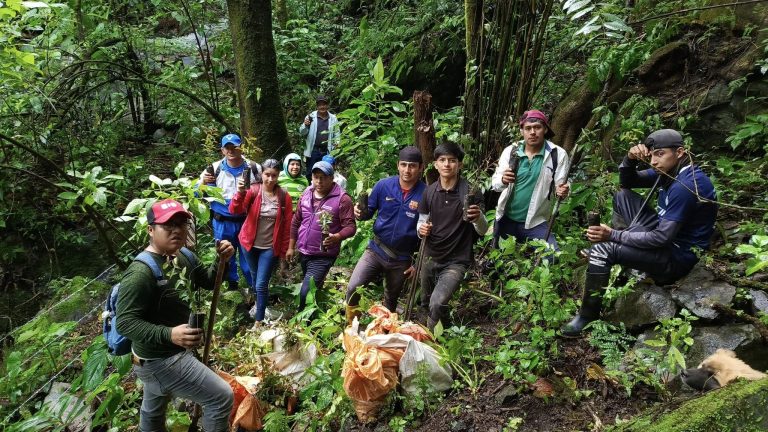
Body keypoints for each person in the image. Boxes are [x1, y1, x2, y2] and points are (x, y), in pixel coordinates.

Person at [561, 129, 717, 337]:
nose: (653, 161)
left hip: (675, 257)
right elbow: (627, 182)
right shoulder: (671, 171)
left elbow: (662, 237)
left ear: (679, 152)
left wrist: (613, 236)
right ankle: (622, 251)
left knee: (601, 250)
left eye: (660, 154)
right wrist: (629, 158)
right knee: (622, 196)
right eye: (651, 155)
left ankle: (587, 317)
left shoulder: (685, 186)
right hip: (665, 235)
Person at [116, 199, 235, 432]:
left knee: (153, 407)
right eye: (168, 225)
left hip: (161, 356)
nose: (177, 230)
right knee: (221, 397)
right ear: (151, 230)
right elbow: (125, 322)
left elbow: (208, 281)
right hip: (160, 359)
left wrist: (221, 260)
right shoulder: (140, 273)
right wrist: (170, 334)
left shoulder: (184, 256)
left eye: (181, 223)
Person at [345, 146, 426, 322]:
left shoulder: (426, 193)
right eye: (403, 165)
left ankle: (383, 336)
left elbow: (428, 233)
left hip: (403, 258)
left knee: (391, 301)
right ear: (397, 165)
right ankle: (351, 328)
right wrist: (360, 212)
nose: (407, 170)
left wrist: (418, 263)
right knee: (353, 288)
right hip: (376, 250)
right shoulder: (384, 186)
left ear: (420, 167)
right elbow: (368, 213)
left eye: (412, 166)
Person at [417, 142, 488, 330]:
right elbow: (421, 222)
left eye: (452, 160)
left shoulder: (470, 192)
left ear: (460, 165)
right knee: (426, 303)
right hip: (430, 256)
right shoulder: (429, 191)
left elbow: (482, 230)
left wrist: (478, 217)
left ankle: (431, 343)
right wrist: (421, 230)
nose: (447, 164)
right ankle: (444, 331)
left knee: (437, 303)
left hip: (457, 260)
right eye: (442, 160)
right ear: (435, 164)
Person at [491, 110, 570, 254]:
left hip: (535, 222)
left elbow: (562, 186)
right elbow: (495, 184)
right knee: (498, 260)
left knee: (551, 256)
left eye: (537, 127)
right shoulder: (511, 151)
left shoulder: (557, 154)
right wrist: (503, 179)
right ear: (522, 131)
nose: (532, 132)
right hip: (506, 218)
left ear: (545, 129)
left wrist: (563, 191)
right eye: (528, 128)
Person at [229, 159, 294, 329]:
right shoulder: (253, 191)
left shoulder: (283, 196)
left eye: (274, 175)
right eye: (267, 175)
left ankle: (258, 321)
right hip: (248, 244)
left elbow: (287, 225)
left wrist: (286, 249)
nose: (270, 179)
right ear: (262, 174)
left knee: (261, 283)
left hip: (269, 247)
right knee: (254, 276)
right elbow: (234, 210)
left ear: (279, 175)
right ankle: (260, 306)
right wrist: (240, 193)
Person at [288, 161, 356, 311]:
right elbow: (296, 220)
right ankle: (316, 316)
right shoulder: (307, 193)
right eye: (316, 177)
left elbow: (351, 227)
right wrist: (291, 247)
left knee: (306, 292)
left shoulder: (342, 199)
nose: (319, 181)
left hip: (323, 255)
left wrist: (337, 236)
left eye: (323, 177)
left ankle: (302, 323)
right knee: (313, 289)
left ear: (332, 178)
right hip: (304, 251)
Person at [199, 133, 260, 290]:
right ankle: (231, 287)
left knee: (249, 255)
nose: (231, 150)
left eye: (235, 147)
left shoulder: (253, 167)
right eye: (227, 147)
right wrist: (203, 184)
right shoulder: (213, 169)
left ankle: (255, 287)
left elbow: (266, 189)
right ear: (222, 150)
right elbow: (196, 192)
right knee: (226, 256)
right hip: (222, 222)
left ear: (241, 148)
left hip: (247, 220)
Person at [299, 95, 339, 182]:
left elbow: (337, 133)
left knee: (326, 173)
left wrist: (337, 143)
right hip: (313, 150)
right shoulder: (311, 116)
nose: (322, 107)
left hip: (327, 151)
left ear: (327, 105)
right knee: (310, 172)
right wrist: (305, 125)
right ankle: (310, 193)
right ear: (317, 106)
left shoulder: (333, 118)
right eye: (320, 105)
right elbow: (302, 132)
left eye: (324, 104)